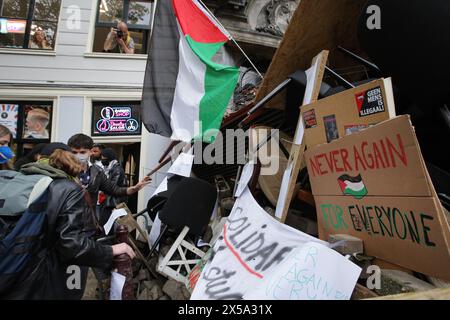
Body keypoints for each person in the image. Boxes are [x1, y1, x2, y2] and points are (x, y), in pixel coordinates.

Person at [2, 143, 136, 299]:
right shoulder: (67, 188)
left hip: (9, 271)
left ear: (39, 158)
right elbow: (72, 245)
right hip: (36, 280)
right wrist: (111, 250)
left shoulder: (18, 180)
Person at [67, 134, 150, 213]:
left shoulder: (96, 172)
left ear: (90, 152)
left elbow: (114, 189)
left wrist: (135, 188)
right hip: (66, 221)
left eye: (82, 152)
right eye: (74, 152)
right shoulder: (64, 170)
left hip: (89, 220)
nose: (78, 155)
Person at [98, 148, 128, 226]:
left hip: (113, 203)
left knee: (106, 225)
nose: (102, 159)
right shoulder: (108, 169)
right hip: (107, 202)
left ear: (109, 157)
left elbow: (112, 187)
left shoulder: (117, 170)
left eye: (103, 157)